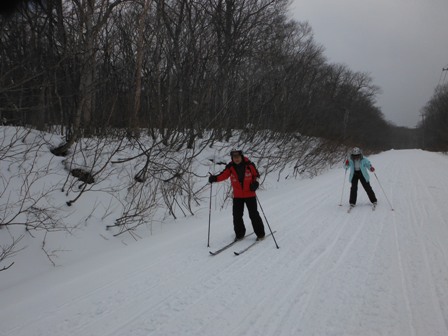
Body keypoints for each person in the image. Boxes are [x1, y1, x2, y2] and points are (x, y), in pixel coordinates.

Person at [208, 150, 265, 241]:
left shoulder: (249, 165)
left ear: (241, 156)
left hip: (250, 194)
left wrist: (256, 184)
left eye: (238, 157)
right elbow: (223, 175)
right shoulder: (230, 167)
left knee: (253, 214)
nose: (236, 159)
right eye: (234, 157)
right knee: (237, 215)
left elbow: (256, 175)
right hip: (238, 196)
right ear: (232, 158)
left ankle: (261, 234)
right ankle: (239, 234)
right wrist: (214, 178)